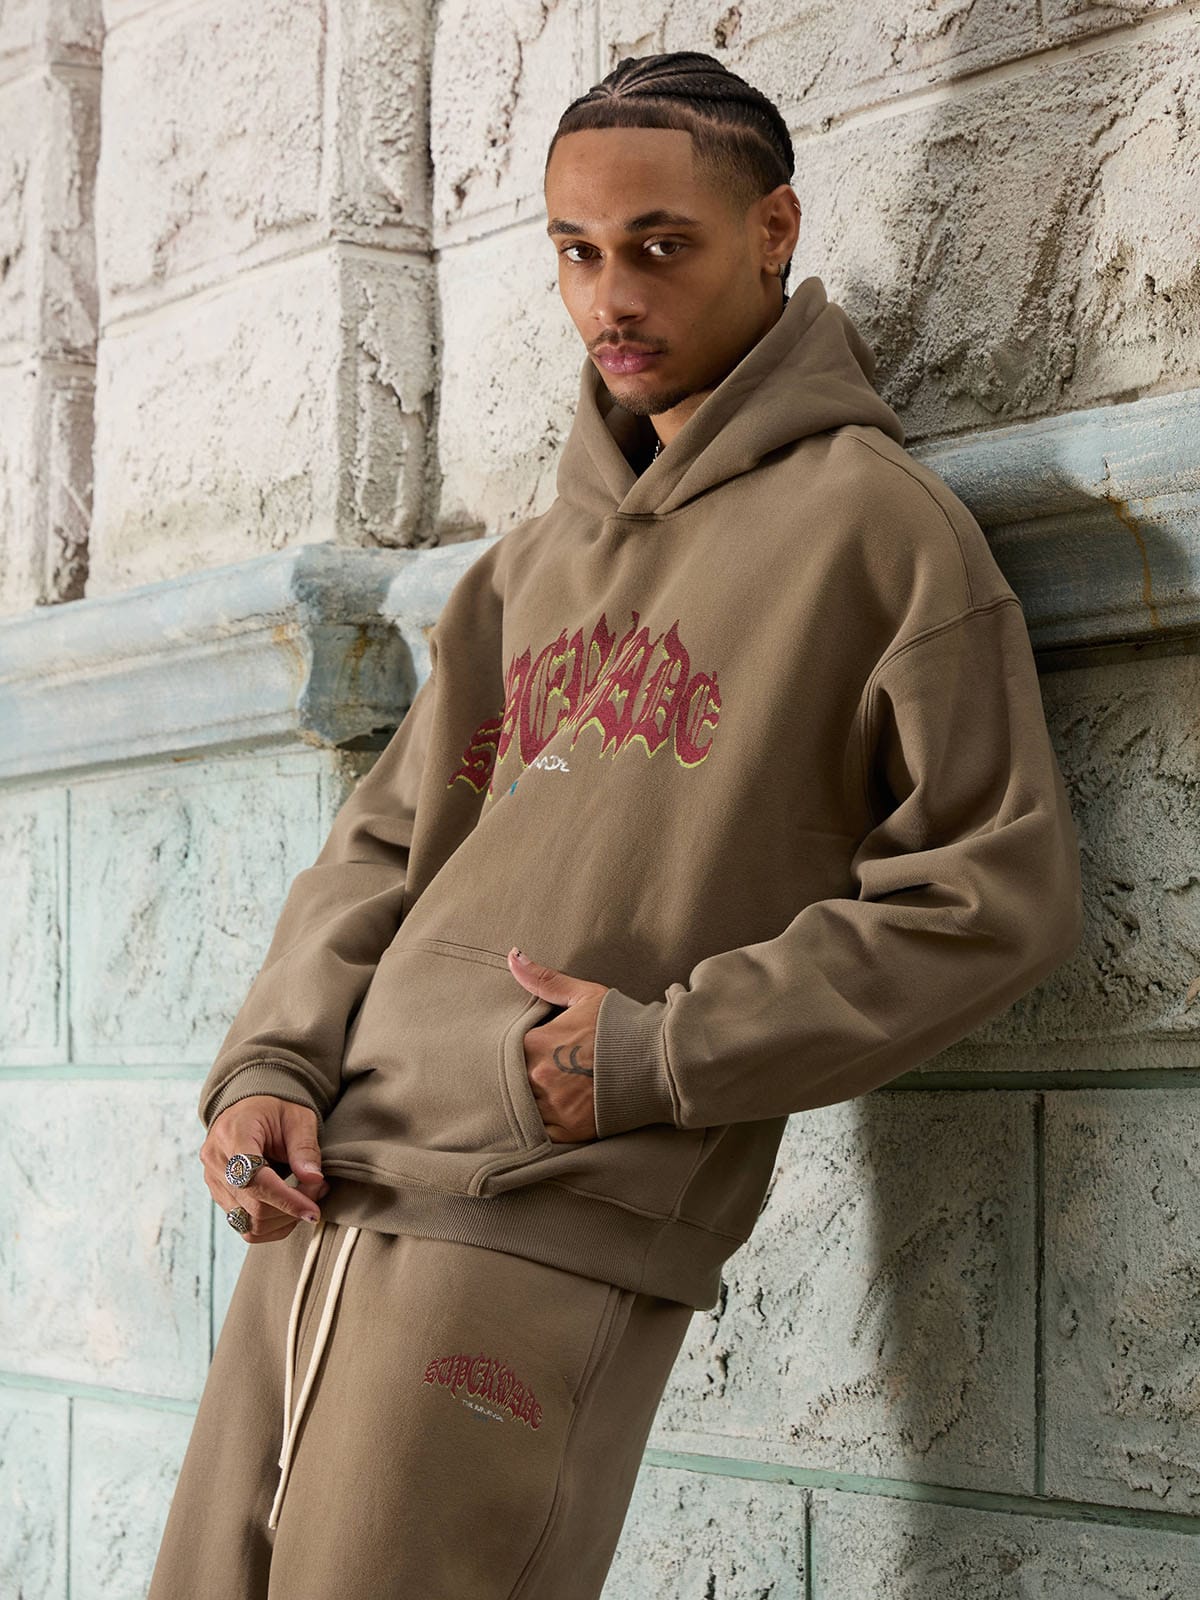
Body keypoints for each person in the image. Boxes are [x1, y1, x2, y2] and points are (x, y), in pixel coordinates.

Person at [149, 48, 1084, 1600]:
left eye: (660, 246)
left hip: (543, 1213)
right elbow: (382, 850)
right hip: (328, 1193)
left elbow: (997, 893)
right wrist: (269, 1067)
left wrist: (662, 1053)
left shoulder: (877, 533)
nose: (611, 297)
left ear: (774, 230)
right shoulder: (523, 569)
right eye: (577, 253)